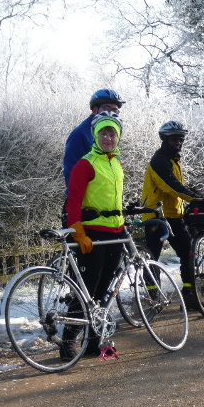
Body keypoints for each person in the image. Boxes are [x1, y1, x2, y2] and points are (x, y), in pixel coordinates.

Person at [61, 111, 126, 361]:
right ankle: (68, 339)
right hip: (93, 233)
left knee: (101, 290)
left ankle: (91, 340)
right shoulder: (85, 163)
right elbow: (74, 199)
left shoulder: (116, 163)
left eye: (112, 134)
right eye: (103, 133)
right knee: (86, 290)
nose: (108, 137)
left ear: (117, 137)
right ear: (95, 136)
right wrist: (78, 231)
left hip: (115, 233)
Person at [141, 121, 202, 309]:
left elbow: (179, 185)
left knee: (188, 254)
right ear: (164, 139)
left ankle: (190, 293)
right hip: (155, 217)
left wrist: (199, 195)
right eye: (174, 138)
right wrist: (195, 199)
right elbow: (170, 186)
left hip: (174, 216)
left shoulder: (174, 160)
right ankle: (153, 297)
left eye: (181, 138)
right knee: (153, 259)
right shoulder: (159, 160)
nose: (178, 142)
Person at [62, 89, 126, 190]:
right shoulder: (80, 134)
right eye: (107, 108)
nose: (111, 113)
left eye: (115, 110)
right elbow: (71, 171)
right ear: (95, 109)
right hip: (86, 201)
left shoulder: (112, 133)